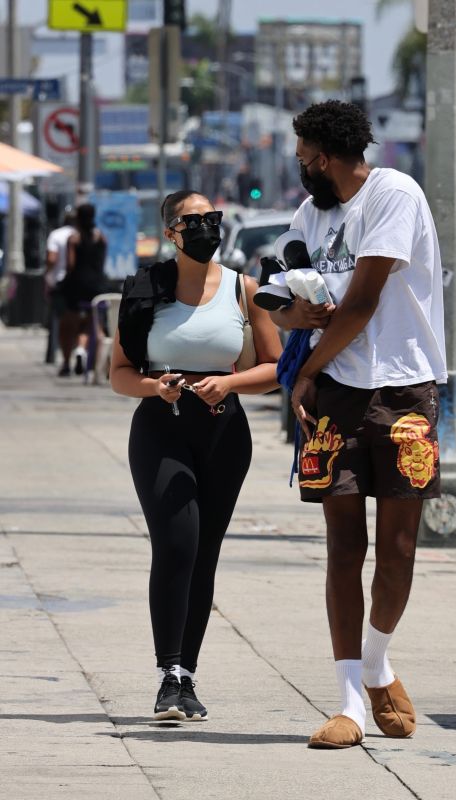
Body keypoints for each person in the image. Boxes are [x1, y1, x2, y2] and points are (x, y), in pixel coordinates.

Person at [270, 100, 447, 749]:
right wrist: (290, 317)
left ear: (323, 155)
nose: (298, 167)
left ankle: (377, 665)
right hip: (337, 394)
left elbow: (366, 299)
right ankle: (347, 701)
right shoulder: (308, 214)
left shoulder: (393, 194)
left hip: (404, 387)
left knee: (398, 544)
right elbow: (284, 297)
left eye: (301, 155)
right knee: (343, 544)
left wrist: (307, 369)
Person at [110, 189, 281, 721]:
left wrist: (228, 384)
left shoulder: (243, 290)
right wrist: (156, 387)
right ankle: (168, 674)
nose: (207, 227)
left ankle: (187, 677)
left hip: (223, 433)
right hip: (161, 428)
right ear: (171, 233)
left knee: (205, 552)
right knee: (176, 543)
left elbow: (277, 367)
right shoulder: (145, 290)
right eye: (194, 220)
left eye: (213, 218)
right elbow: (118, 374)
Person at [57, 203, 108, 377]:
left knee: (68, 324)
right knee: (91, 322)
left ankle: (65, 363)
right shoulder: (101, 237)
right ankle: (81, 350)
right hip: (97, 285)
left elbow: (70, 264)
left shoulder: (74, 238)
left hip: (76, 285)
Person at [44, 207, 77, 365]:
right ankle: (79, 350)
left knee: (59, 321)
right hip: (80, 284)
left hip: (59, 282)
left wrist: (48, 275)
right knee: (79, 320)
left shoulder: (56, 235)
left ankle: (58, 357)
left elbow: (51, 259)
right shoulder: (83, 235)